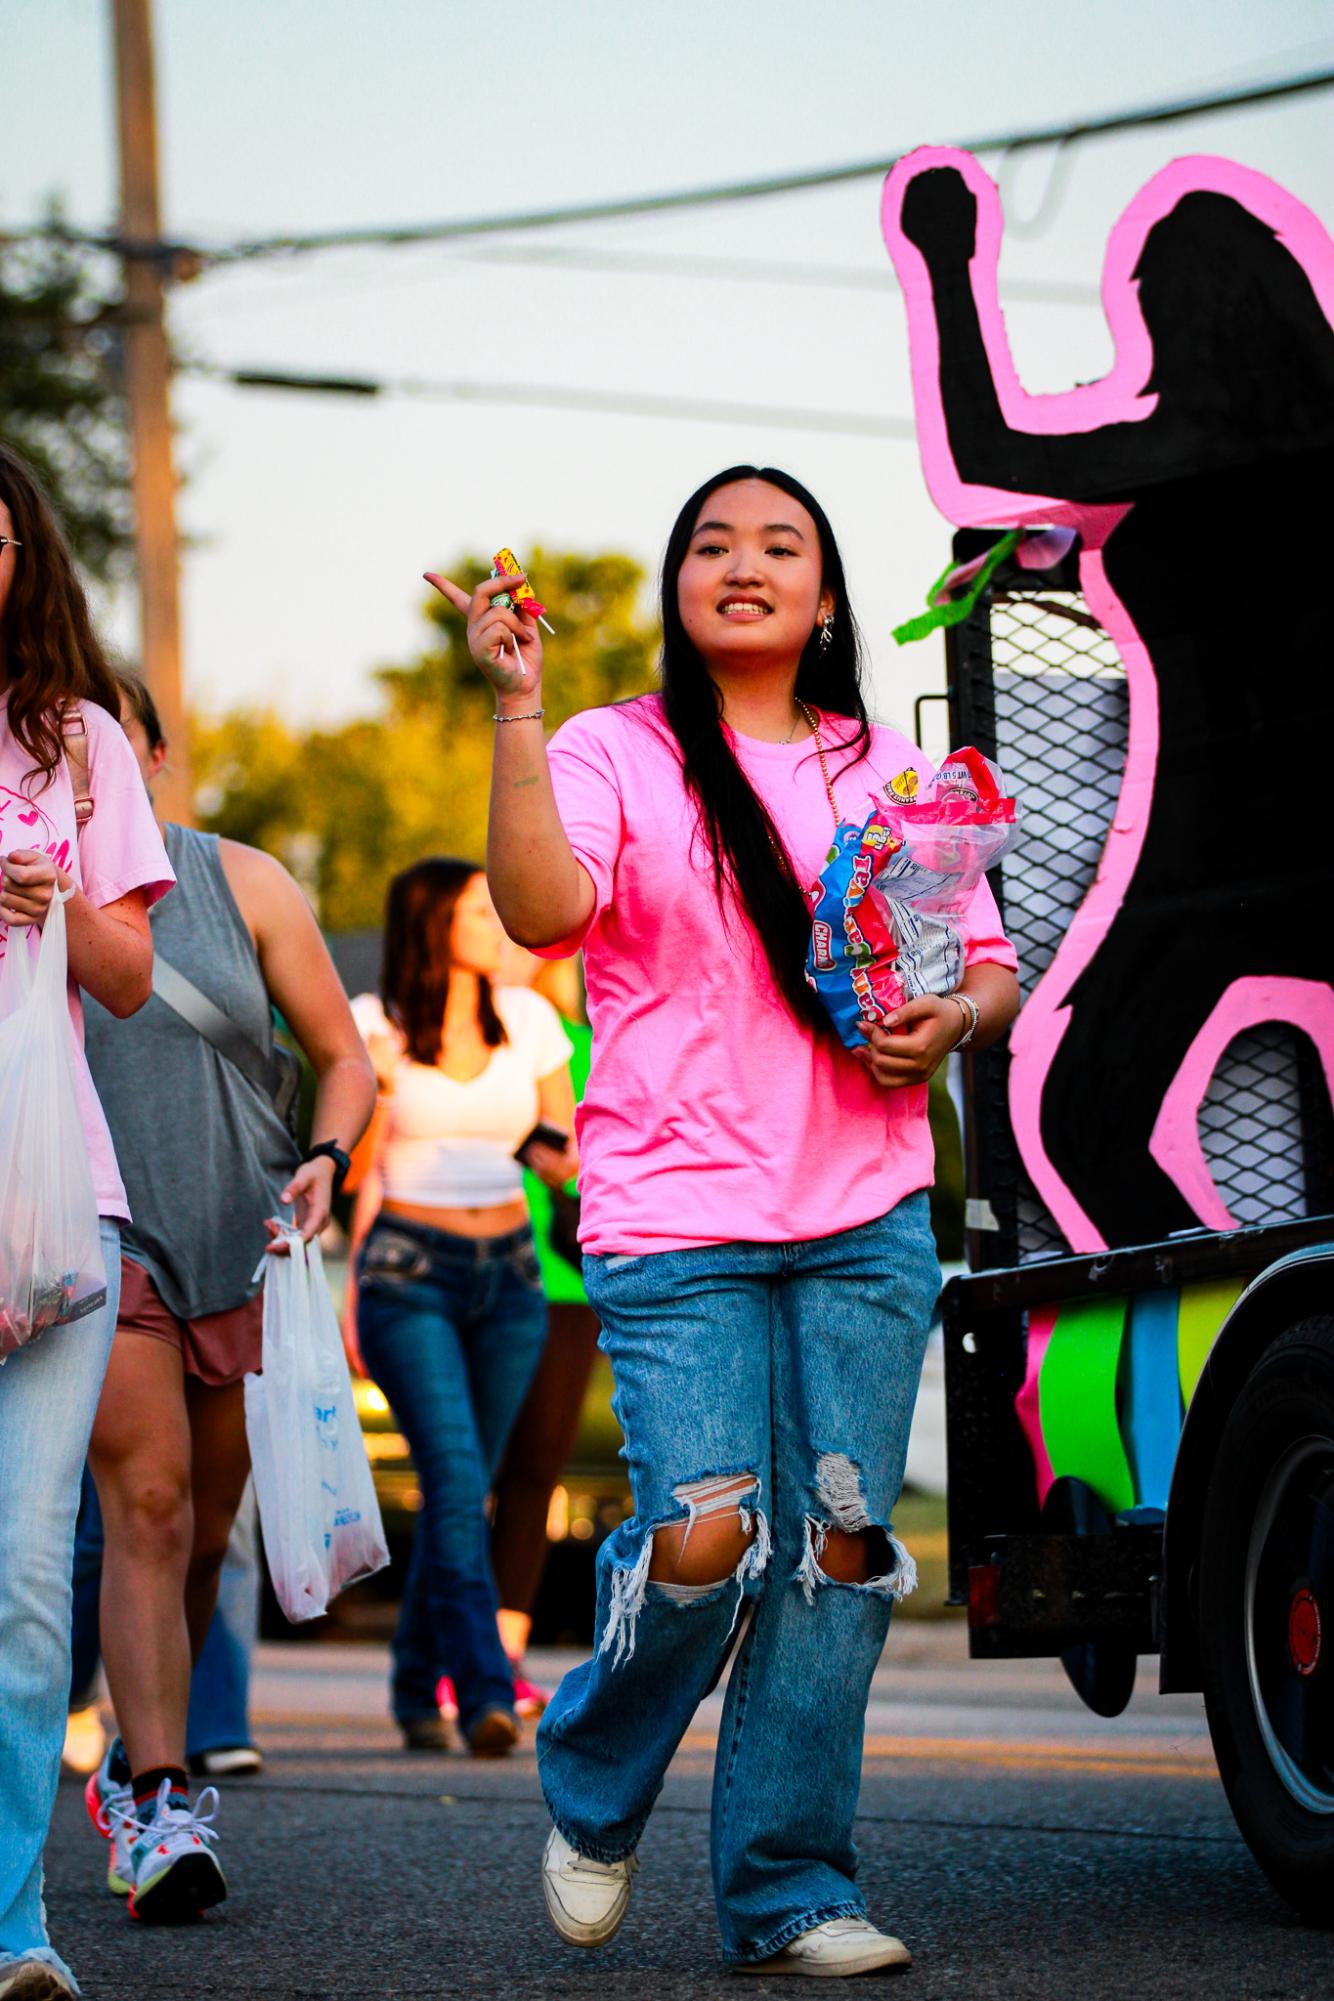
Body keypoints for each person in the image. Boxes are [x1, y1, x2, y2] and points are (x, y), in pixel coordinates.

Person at [429, 466, 1021, 1977]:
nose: (741, 564)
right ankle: (597, 1777)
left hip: (863, 1211)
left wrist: (943, 1018)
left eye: (779, 546)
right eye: (711, 543)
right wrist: (512, 705)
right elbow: (545, 907)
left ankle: (791, 1887)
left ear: (824, 599)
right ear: (678, 588)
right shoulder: (609, 747)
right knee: (704, 1537)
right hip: (676, 1210)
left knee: (833, 1548)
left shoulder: (886, 768)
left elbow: (988, 964)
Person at [79, 670, 375, 1923]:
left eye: (109, 742)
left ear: (152, 756)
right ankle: (157, 1795)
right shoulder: (25, 892)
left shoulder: (241, 879)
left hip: (245, 1238)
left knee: (202, 1531)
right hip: (103, 1238)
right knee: (145, 1504)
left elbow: (342, 1057)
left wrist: (328, 1159)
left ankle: (139, 1761)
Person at [0, 445, 172, 2001]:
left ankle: (11, 1927)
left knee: (24, 1584)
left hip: (58, 1207)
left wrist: (52, 895)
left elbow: (125, 977)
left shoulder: (77, 744)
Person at [343, 859, 579, 1755]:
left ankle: (412, 1683)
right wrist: (373, 1090)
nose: (499, 918)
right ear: (431, 922)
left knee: (464, 1486)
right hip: (408, 1275)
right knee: (450, 1478)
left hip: (511, 1275)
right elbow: (356, 1172)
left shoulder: (529, 1022)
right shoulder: (376, 1028)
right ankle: (482, 1689)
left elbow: (557, 1152)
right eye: (480, 908)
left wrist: (583, 1172)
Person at [488, 948, 600, 1706]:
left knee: (535, 1471)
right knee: (469, 1472)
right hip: (478, 1268)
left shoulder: (598, 1039)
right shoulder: (472, 1032)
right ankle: (452, 1650)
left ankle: (501, 1656)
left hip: (565, 1281)